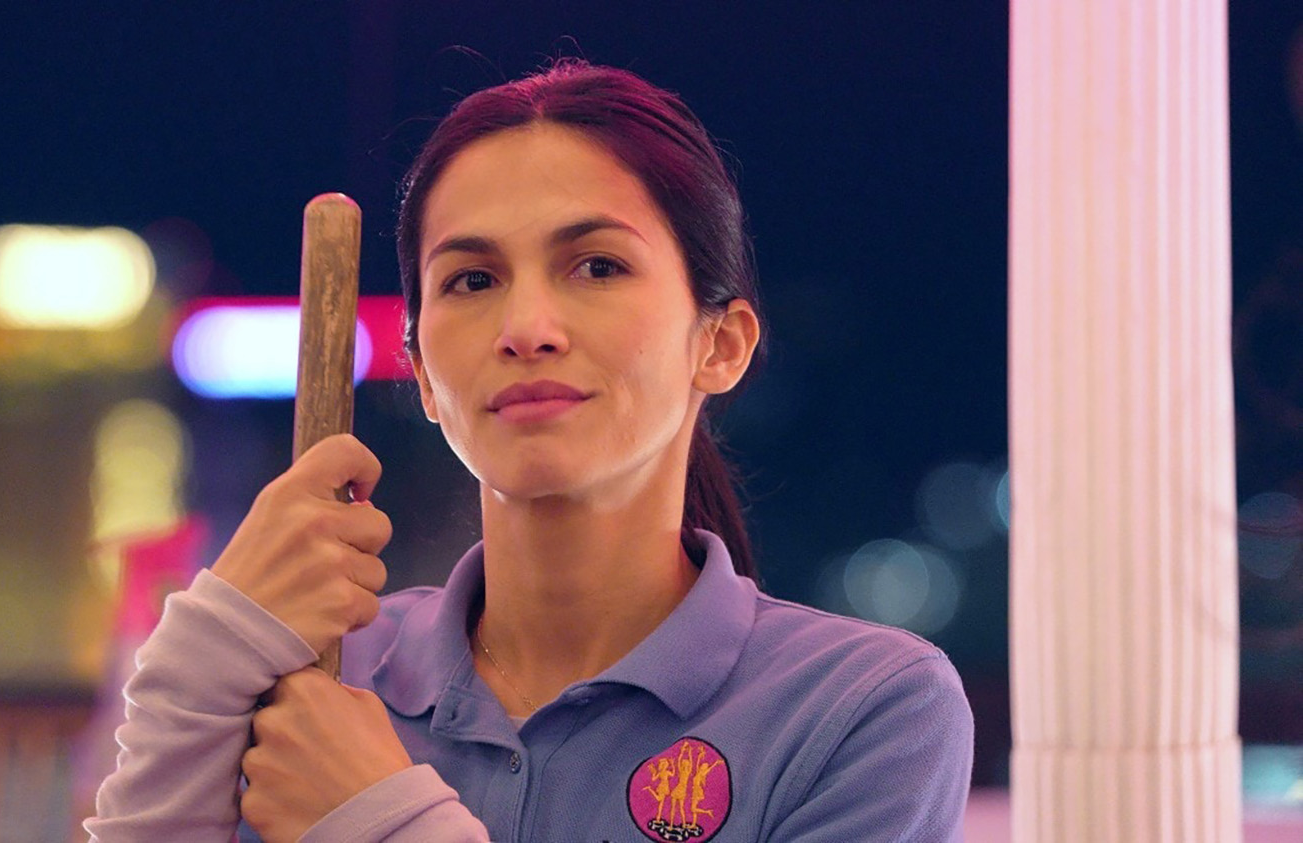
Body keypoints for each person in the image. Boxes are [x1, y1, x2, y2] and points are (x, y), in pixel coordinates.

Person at [86, 59, 974, 842]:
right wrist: (206, 652)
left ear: (722, 343)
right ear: (423, 374)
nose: (526, 327)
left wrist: (379, 818)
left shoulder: (858, 709)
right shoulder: (309, 675)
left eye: (597, 265)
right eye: (472, 279)